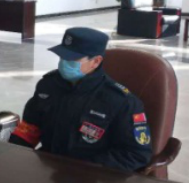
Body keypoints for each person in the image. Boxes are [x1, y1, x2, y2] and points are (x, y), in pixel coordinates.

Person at [10, 27, 153, 172]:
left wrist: (84, 169)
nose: (64, 62)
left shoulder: (121, 101)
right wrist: (11, 155)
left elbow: (136, 154)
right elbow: (30, 127)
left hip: (90, 177)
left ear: (95, 61)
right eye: (62, 56)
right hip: (47, 168)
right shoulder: (48, 85)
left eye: (72, 59)